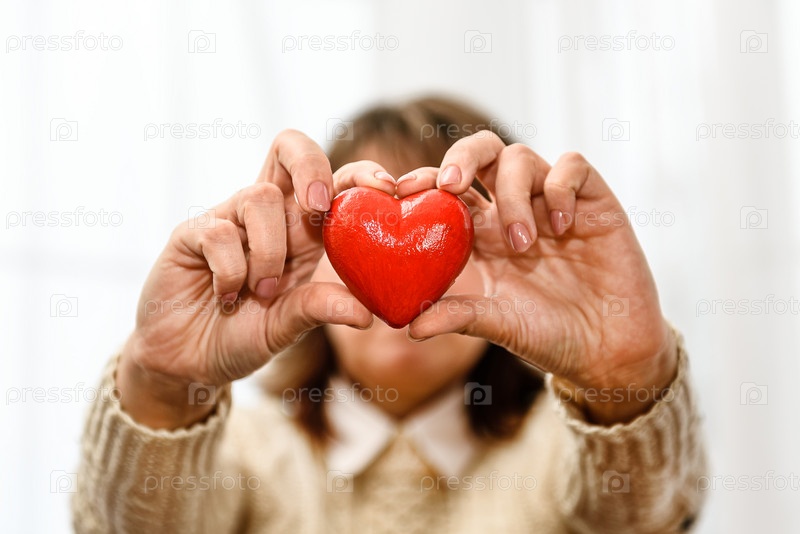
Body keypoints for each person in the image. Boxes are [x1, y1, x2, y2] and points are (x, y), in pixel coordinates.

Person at [72, 97, 707, 533]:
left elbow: (644, 516)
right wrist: (162, 389)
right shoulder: (242, 455)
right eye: (362, 230)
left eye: (447, 231)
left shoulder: (561, 455)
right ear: (307, 249)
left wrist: (627, 380)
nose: (401, 270)